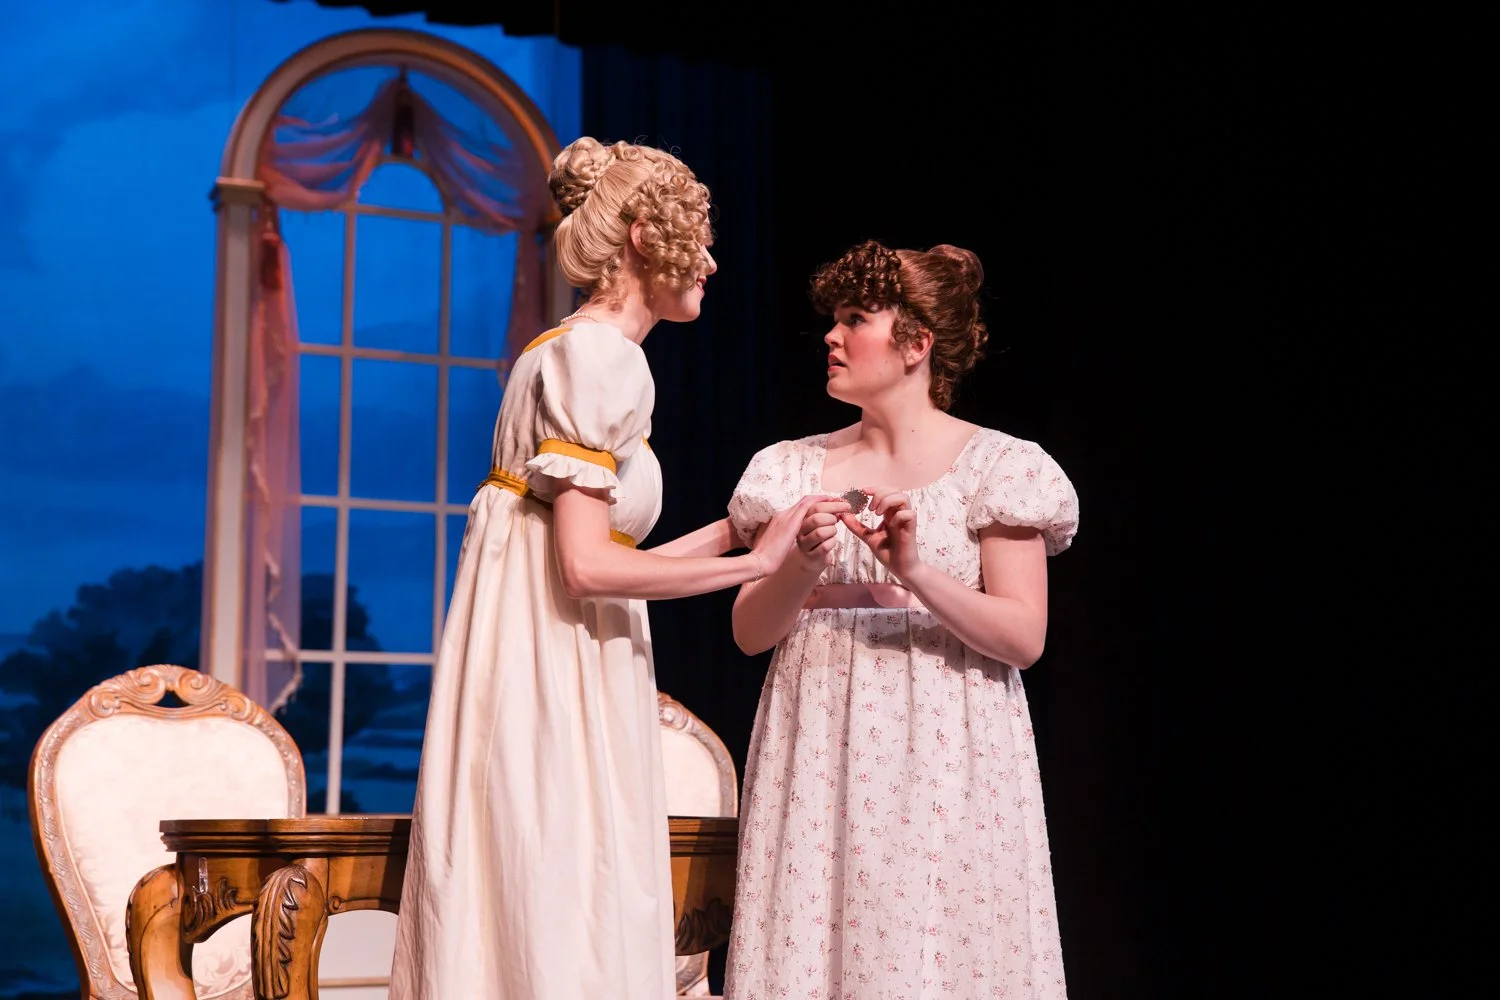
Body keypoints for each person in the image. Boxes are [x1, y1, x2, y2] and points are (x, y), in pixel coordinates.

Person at [389, 136, 827, 1000]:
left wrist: (738, 534)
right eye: (693, 235)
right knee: (562, 885)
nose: (708, 258)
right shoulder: (605, 359)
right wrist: (760, 566)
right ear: (639, 236)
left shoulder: (568, 349)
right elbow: (588, 569)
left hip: (547, 647)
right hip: (555, 665)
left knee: (537, 879)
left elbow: (597, 552)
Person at [723, 239, 1080, 998]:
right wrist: (804, 566)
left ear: (916, 343)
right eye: (834, 319)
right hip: (817, 743)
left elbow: (1024, 636)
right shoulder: (790, 468)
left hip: (946, 754)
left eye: (855, 319)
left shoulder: (997, 467)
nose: (831, 335)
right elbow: (751, 633)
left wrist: (913, 569)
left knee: (932, 952)